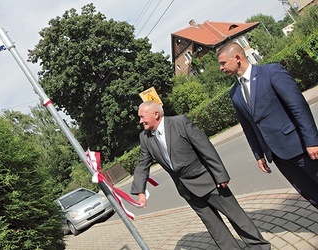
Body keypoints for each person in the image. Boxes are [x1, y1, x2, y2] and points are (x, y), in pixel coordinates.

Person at [131, 100, 270, 250]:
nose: (140, 121)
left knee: (237, 217)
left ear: (156, 114)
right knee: (215, 228)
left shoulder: (180, 122)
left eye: (142, 117)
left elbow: (205, 148)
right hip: (187, 190)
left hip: (209, 182)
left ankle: (259, 247)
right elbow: (142, 164)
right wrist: (140, 190)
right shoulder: (145, 138)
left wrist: (220, 175)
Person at [217, 42, 318, 210]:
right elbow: (248, 126)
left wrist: (312, 140)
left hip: (302, 147)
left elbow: (298, 106)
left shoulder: (271, 72)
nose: (221, 68)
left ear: (237, 58)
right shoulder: (234, 93)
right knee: (310, 194)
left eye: (223, 63)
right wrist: (258, 154)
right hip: (278, 156)